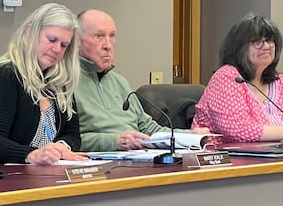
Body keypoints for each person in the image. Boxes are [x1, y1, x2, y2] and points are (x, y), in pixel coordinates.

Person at [75, 10, 208, 151]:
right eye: (99, 36)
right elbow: (65, 140)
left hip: (135, 158)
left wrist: (191, 135)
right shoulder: (65, 83)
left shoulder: (120, 82)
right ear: (77, 42)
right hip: (97, 164)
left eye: (112, 36)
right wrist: (114, 141)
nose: (108, 45)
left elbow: (148, 128)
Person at [192, 13, 283, 142]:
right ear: (239, 47)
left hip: (278, 158)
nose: (266, 46)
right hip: (228, 163)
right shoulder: (226, 77)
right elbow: (237, 129)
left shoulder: (281, 82)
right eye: (257, 41)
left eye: (270, 40)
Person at [0, 3, 86, 165]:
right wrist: (31, 154)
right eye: (52, 39)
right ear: (29, 32)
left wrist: (62, 147)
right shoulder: (2, 76)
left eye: (64, 45)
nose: (57, 49)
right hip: (8, 180)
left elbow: (73, 134)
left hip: (49, 175)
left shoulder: (59, 82)